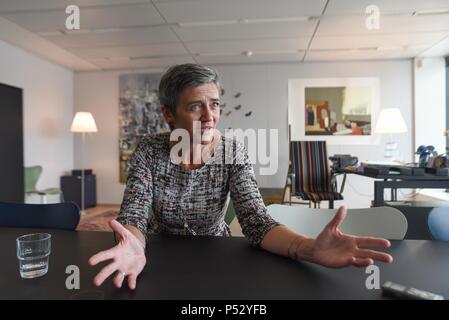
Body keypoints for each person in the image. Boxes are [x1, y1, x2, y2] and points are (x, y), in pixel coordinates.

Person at [88, 64, 392, 290]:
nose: (210, 116)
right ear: (169, 114)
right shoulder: (149, 150)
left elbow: (256, 222)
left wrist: (309, 248)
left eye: (215, 104)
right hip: (157, 254)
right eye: (196, 106)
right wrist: (133, 245)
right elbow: (135, 215)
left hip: (218, 258)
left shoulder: (233, 151)